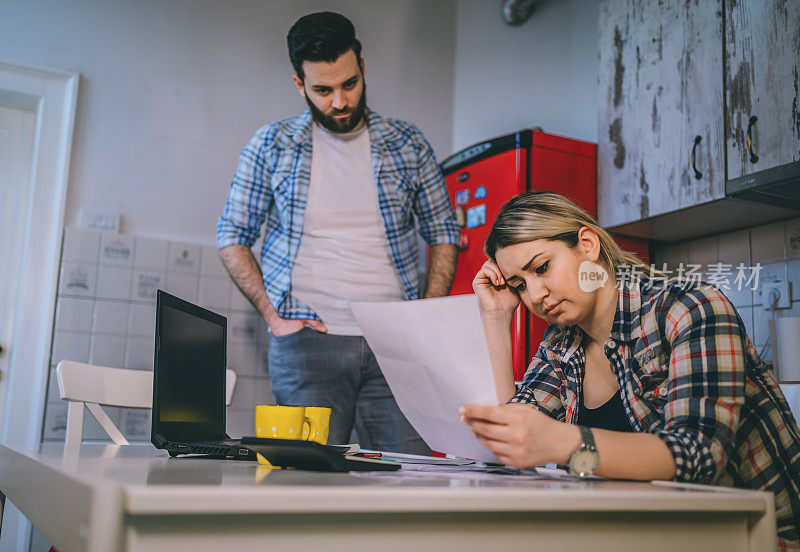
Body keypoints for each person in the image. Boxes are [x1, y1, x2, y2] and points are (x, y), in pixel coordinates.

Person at [461, 190, 800, 548]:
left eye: (541, 268)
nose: (534, 297)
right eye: (520, 285)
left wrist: (563, 443)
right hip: (650, 534)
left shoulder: (689, 308)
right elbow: (512, 440)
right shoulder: (561, 343)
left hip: (752, 539)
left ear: (587, 244)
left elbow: (700, 456)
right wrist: (496, 318)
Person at [217, 12, 459, 454]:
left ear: (362, 69)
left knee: (410, 481)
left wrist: (424, 316)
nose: (340, 101)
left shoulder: (408, 143)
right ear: (299, 86)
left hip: (396, 345)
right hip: (306, 343)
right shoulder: (271, 144)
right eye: (323, 91)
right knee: (305, 488)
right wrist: (274, 317)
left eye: (349, 84)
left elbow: (444, 230)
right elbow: (231, 235)